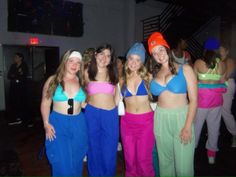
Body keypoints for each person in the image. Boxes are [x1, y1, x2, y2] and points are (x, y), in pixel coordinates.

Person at [148, 32, 197, 176]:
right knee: (165, 164)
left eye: (161, 49)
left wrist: (188, 126)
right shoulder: (153, 74)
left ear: (167, 48)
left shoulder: (185, 69)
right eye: (155, 53)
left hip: (181, 118)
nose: (159, 54)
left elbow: (194, 100)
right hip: (161, 117)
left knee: (184, 168)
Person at [40, 49, 88, 176]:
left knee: (77, 159)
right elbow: (45, 103)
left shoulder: (82, 81)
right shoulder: (53, 80)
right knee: (61, 161)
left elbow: (84, 104)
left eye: (78, 62)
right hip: (58, 123)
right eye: (71, 61)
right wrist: (46, 123)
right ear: (64, 61)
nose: (74, 65)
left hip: (78, 123)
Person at [119, 42, 155, 176]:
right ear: (127, 59)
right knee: (129, 160)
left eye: (138, 59)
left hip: (146, 123)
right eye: (131, 58)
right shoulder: (122, 79)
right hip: (127, 122)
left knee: (144, 160)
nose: (134, 62)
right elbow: (115, 100)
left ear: (142, 62)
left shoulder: (148, 78)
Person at [84, 44, 119, 176]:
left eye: (108, 55)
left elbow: (117, 94)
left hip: (109, 115)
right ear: (95, 55)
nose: (104, 58)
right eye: (102, 54)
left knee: (109, 151)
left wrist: (113, 110)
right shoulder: (87, 72)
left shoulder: (113, 73)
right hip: (92, 113)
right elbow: (82, 92)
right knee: (93, 149)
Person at [194, 38, 227, 164]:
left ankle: (191, 150)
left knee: (196, 127)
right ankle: (211, 155)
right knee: (214, 127)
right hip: (216, 101)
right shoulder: (222, 65)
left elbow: (193, 82)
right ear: (217, 50)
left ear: (205, 49)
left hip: (202, 101)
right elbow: (223, 83)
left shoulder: (198, 62)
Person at [219, 44, 236, 147]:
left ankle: (235, 133)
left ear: (227, 51)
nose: (220, 51)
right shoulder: (219, 61)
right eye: (219, 49)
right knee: (216, 110)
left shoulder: (229, 60)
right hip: (219, 85)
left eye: (222, 49)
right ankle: (214, 133)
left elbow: (226, 77)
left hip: (227, 84)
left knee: (225, 111)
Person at [7, 52, 29, 126]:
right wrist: (17, 76)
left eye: (16, 57)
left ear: (20, 58)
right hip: (14, 86)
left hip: (21, 87)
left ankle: (22, 118)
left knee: (21, 101)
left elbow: (24, 76)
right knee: (13, 101)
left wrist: (15, 76)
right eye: (14, 57)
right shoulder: (13, 66)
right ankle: (16, 117)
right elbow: (9, 76)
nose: (15, 58)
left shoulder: (24, 66)